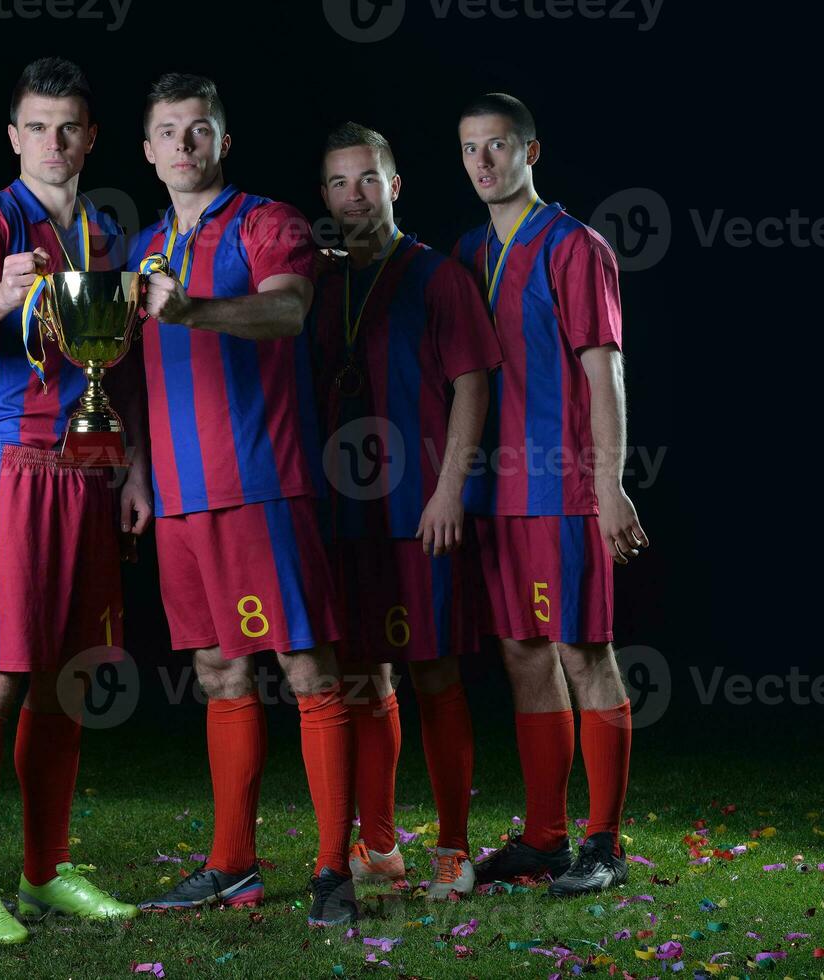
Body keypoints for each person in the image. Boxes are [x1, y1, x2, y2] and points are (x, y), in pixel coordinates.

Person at [0, 57, 150, 944]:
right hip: (8, 468)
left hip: (87, 472)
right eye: (36, 128)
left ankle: (47, 869)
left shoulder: (100, 232)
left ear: (89, 137)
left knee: (71, 676)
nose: (53, 143)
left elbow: (114, 369)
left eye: (69, 128)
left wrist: (129, 466)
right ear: (13, 136)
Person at [128, 73, 356, 927]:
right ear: (147, 150)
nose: (183, 144)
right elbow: (140, 374)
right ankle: (232, 866)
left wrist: (188, 308)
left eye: (199, 129)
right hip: (182, 498)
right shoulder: (143, 248)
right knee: (218, 671)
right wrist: (140, 472)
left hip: (262, 480)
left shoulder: (268, 222)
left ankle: (334, 870)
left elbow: (287, 312)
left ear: (224, 141)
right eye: (167, 131)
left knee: (306, 670)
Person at [452, 93, 648, 897]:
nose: (484, 162)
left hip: (564, 488)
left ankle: (602, 843)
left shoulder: (575, 246)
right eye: (469, 149)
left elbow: (604, 373)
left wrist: (609, 488)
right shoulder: (467, 252)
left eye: (498, 146)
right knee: (524, 656)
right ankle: (543, 836)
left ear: (530, 152)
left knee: (582, 652)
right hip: (498, 496)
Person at [313, 123, 499, 900]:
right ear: (323, 195)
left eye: (368, 179)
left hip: (418, 509)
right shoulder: (316, 282)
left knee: (433, 672)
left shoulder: (436, 276)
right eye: (338, 183)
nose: (354, 195)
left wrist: (450, 489)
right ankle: (381, 847)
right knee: (358, 677)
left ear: (395, 185)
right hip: (339, 515)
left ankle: (452, 850)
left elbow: (473, 383)